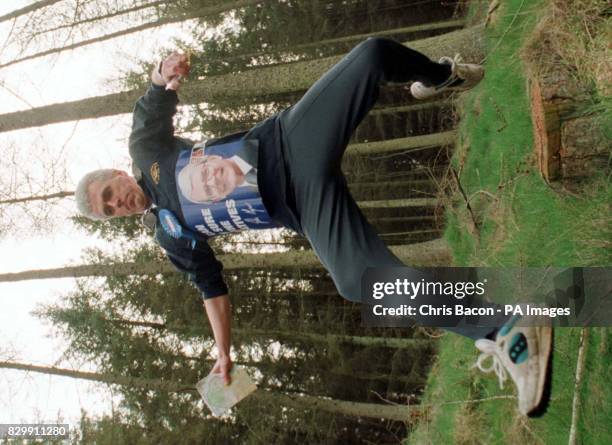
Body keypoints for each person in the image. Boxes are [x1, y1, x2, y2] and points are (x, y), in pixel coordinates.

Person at [76, 38, 552, 417]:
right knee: (360, 283)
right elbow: (209, 286)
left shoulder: (146, 154)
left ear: (117, 175)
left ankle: (441, 74)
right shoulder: (169, 235)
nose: (118, 205)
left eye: (110, 195)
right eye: (110, 212)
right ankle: (509, 329)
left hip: (288, 140)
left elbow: (154, 100)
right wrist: (223, 354)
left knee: (371, 55)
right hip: (303, 207)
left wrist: (165, 72)